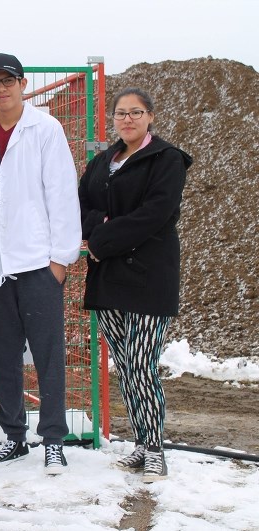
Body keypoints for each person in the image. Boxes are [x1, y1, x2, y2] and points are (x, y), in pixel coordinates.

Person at [0, 53, 81, 475]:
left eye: (9, 81)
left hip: (38, 265)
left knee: (48, 355)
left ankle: (53, 438)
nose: (2, 89)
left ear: (22, 83)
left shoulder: (45, 130)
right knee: (1, 358)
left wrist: (59, 260)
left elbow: (61, 194)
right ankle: (14, 436)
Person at [79, 87, 191, 482]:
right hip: (109, 278)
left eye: (136, 112)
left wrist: (102, 238)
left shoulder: (167, 159)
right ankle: (141, 443)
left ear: (150, 116)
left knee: (143, 365)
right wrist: (98, 227)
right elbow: (83, 207)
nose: (127, 119)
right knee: (126, 367)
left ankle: (157, 448)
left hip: (148, 277)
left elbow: (155, 214)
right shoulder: (101, 163)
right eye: (121, 113)